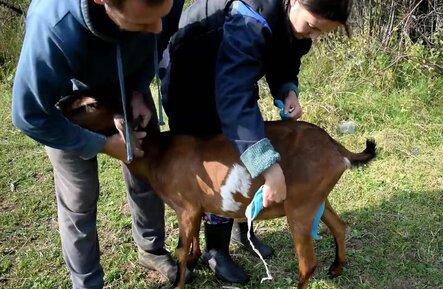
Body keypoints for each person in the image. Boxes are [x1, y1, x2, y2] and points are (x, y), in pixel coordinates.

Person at [160, 0, 353, 284]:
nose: (313, 36)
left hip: (231, 77)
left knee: (244, 150)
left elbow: (285, 57)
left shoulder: (290, 20)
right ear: (295, 1)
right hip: (190, 79)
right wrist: (268, 167)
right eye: (312, 27)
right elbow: (233, 99)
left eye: (321, 34)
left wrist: (287, 89)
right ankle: (215, 250)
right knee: (220, 165)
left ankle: (243, 228)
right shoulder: (248, 18)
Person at [11, 0, 185, 288]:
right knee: (79, 196)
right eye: (143, 23)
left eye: (163, 15)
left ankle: (151, 248)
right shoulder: (52, 24)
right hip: (71, 106)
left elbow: (158, 40)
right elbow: (29, 116)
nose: (157, 27)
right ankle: (87, 282)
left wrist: (139, 89)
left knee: (148, 167)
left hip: (127, 90)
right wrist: (102, 144)